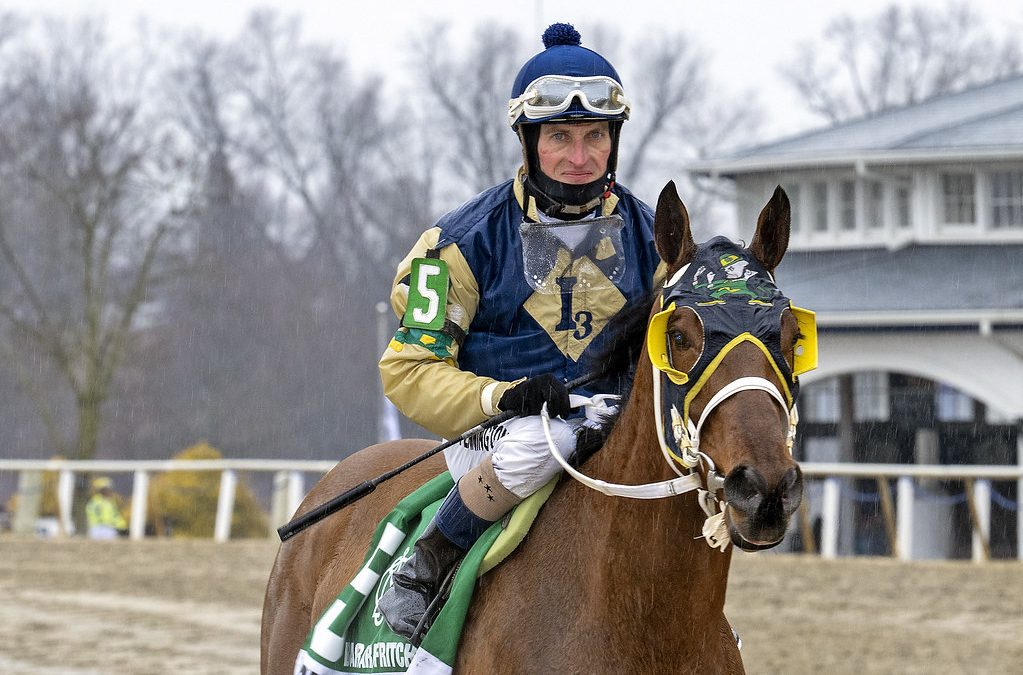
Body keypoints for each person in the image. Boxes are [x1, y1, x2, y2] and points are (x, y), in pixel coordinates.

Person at [376, 22, 662, 640]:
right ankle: (429, 564)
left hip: (615, 426)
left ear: (614, 140)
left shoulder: (654, 239)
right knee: (544, 434)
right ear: (529, 141)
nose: (579, 158)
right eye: (560, 137)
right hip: (499, 433)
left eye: (594, 137)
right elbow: (406, 371)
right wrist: (499, 397)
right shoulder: (453, 247)